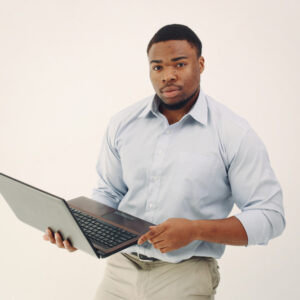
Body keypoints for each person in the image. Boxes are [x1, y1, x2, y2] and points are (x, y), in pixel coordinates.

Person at [43, 24, 286, 299]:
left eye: (180, 64)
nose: (168, 76)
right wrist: (83, 230)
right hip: (119, 270)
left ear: (201, 64)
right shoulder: (123, 124)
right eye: (157, 67)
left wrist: (195, 230)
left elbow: (270, 216)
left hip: (184, 275)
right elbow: (110, 192)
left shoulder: (234, 134)